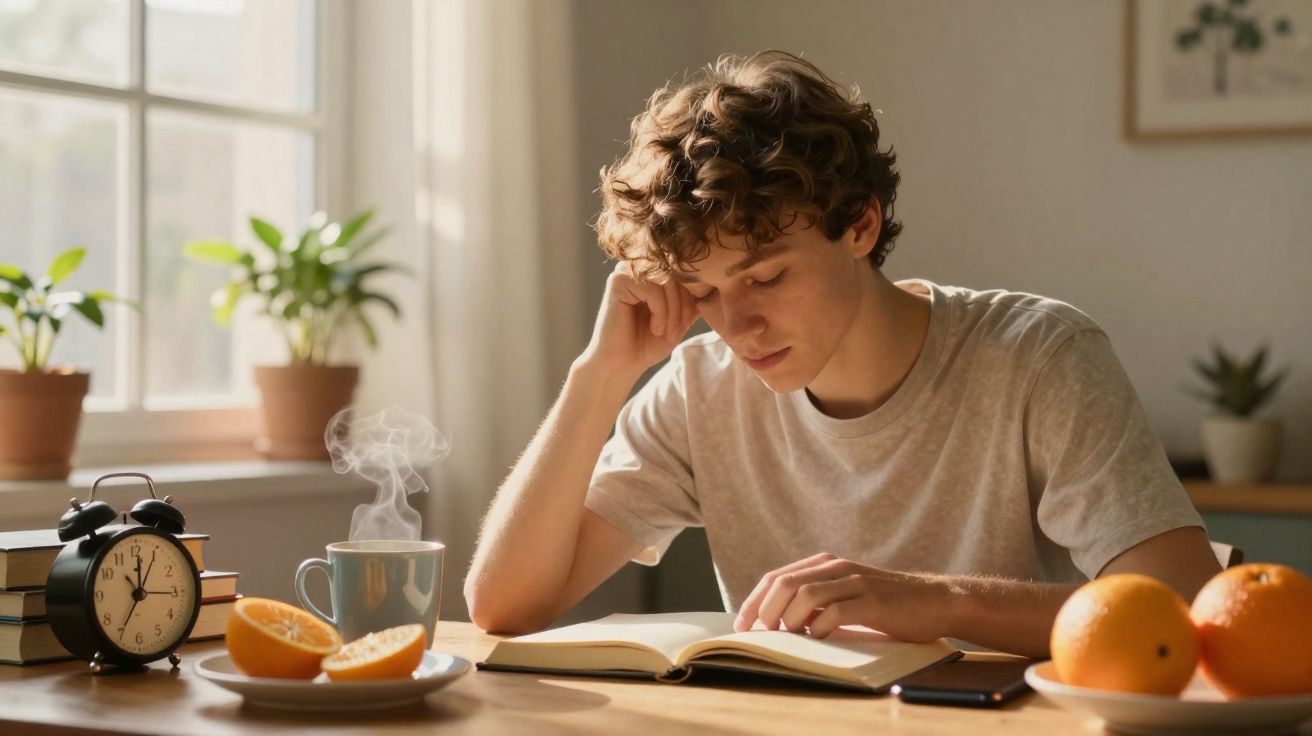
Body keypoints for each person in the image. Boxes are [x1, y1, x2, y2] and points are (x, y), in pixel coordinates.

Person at [463, 50, 1219, 657]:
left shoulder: (1039, 357)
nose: (738, 326)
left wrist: (933, 601)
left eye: (766, 276)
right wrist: (600, 376)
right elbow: (503, 606)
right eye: (704, 290)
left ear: (860, 224)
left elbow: (1178, 606)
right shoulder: (700, 389)